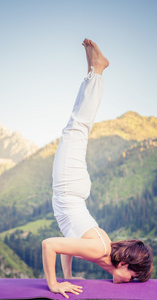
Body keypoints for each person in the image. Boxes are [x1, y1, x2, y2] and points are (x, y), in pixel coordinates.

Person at [42, 38, 153, 299]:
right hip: (69, 187)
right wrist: (54, 285)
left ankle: (94, 70)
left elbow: (69, 241)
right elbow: (49, 245)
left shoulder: (102, 253)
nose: (130, 281)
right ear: (124, 264)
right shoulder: (100, 250)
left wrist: (68, 277)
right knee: (77, 128)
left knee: (76, 128)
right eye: (133, 276)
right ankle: (98, 69)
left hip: (73, 190)